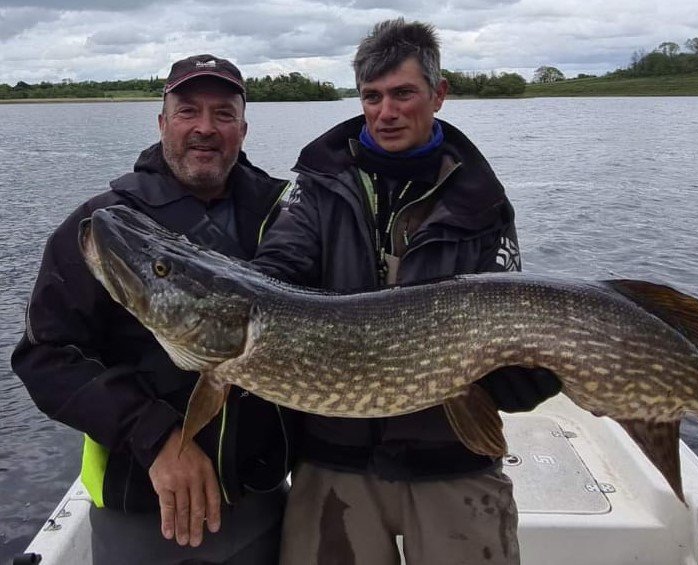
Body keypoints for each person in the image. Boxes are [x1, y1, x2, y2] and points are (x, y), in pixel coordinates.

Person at [254, 19, 562, 565]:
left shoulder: (482, 201)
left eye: (402, 94)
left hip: (453, 459)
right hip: (334, 463)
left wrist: (526, 375)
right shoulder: (318, 187)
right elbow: (276, 273)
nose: (385, 112)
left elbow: (510, 311)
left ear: (438, 95)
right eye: (371, 96)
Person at [12, 54, 295, 564]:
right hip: (141, 505)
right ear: (163, 122)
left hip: (259, 502)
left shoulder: (284, 222)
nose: (205, 128)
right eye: (188, 111)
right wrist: (157, 436)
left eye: (223, 113)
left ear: (243, 129)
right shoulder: (102, 226)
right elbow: (45, 356)